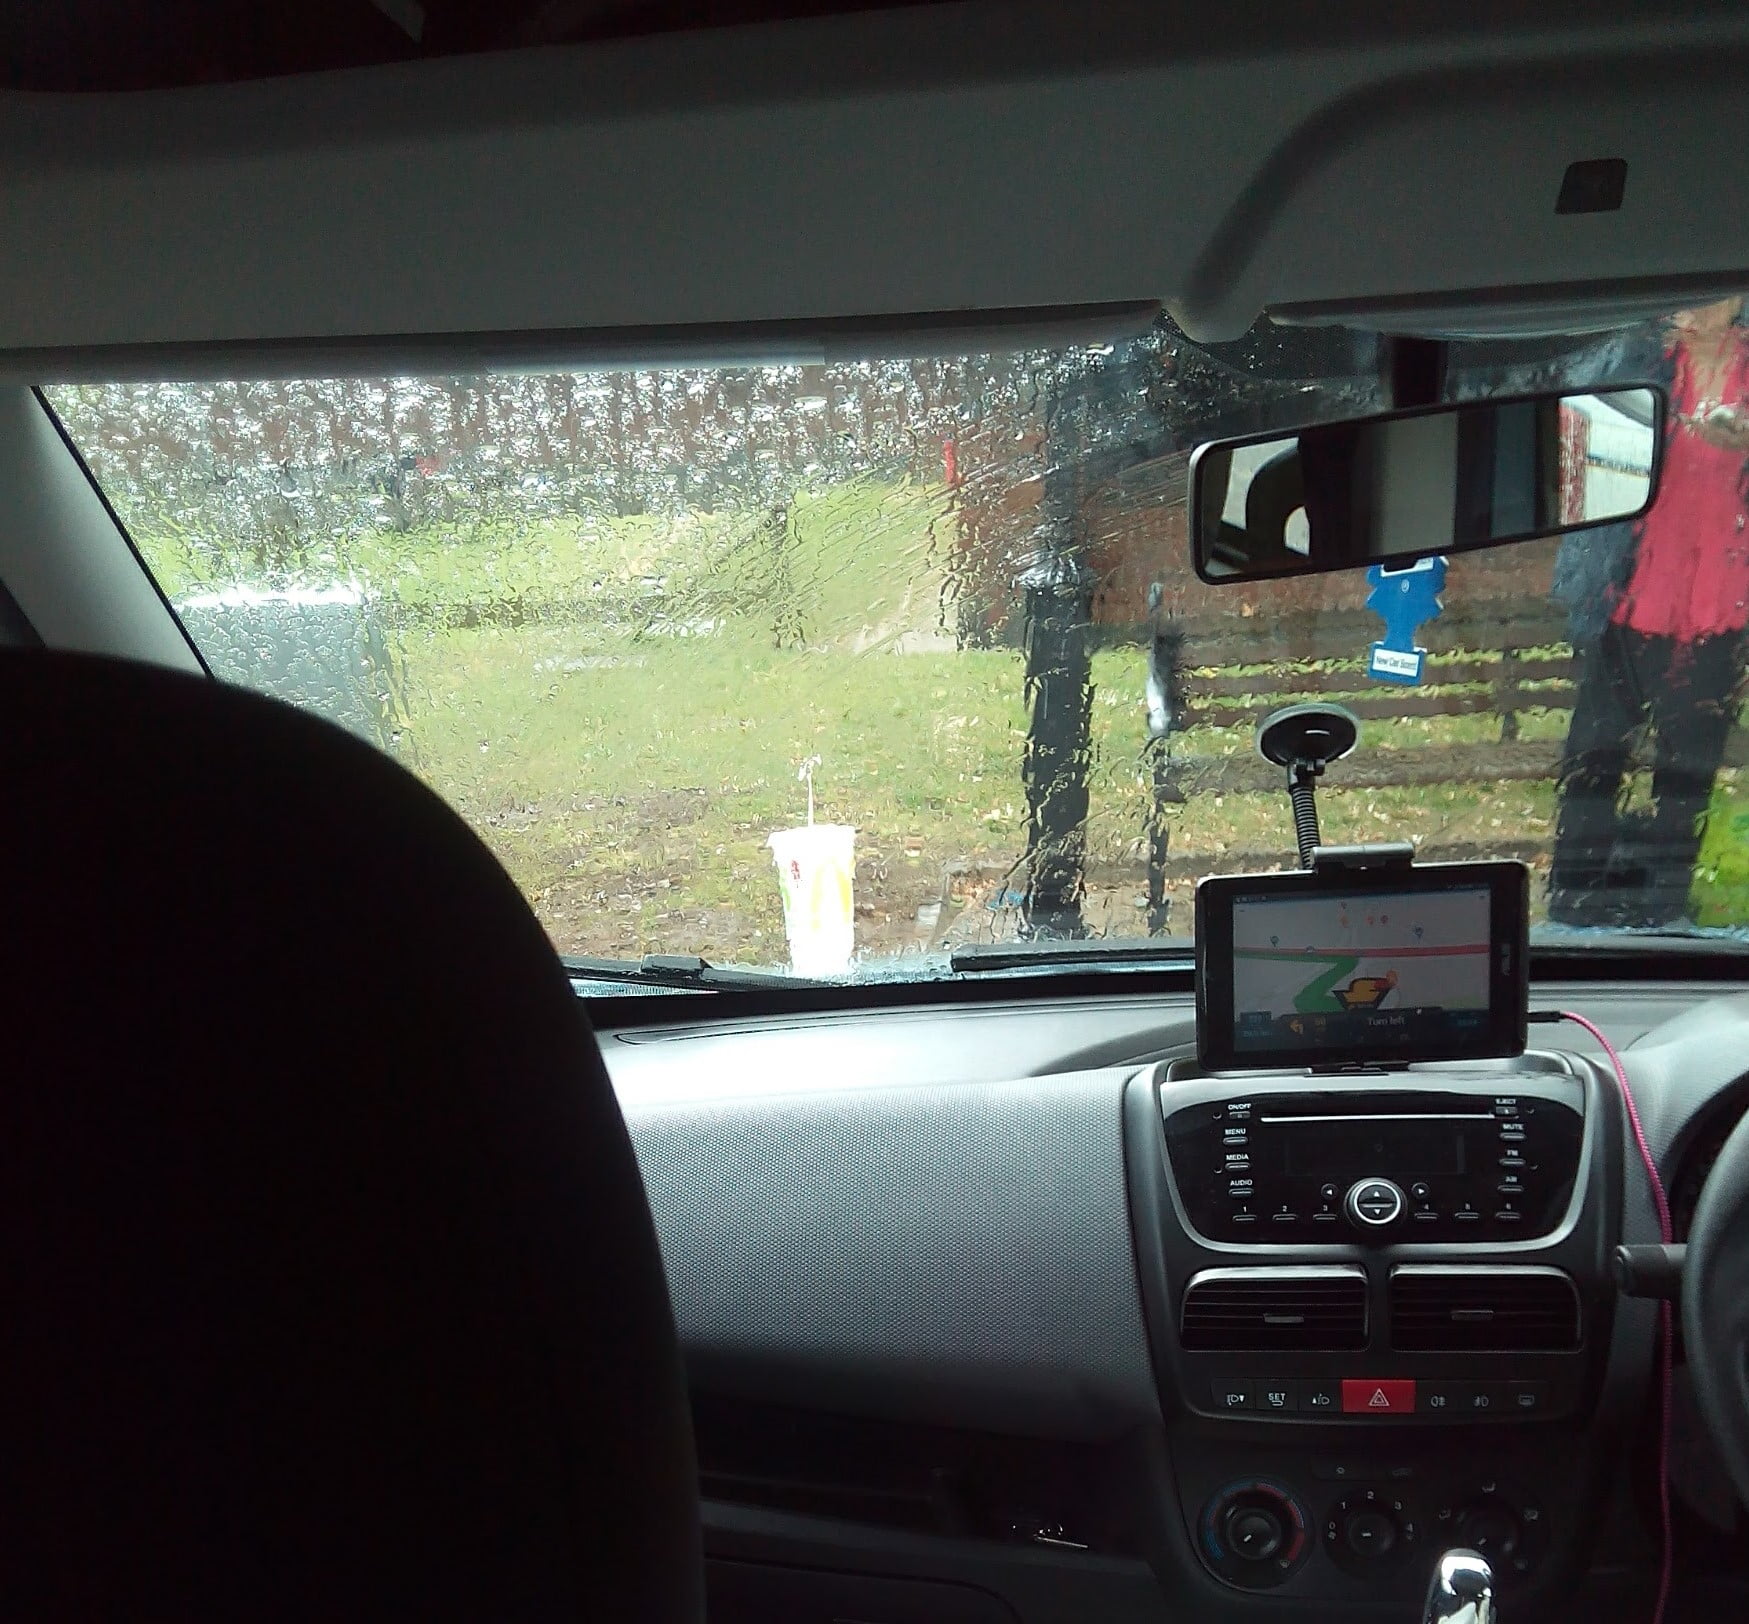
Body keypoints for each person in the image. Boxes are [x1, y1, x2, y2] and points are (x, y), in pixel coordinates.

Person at [1549, 298, 1749, 927]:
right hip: (1627, 599)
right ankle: (1573, 909)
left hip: (1722, 608)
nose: (1688, 307)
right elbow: (1575, 465)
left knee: (1687, 774)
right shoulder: (1632, 360)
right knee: (1593, 760)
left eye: (1708, 292)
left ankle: (1663, 912)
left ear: (1738, 296)